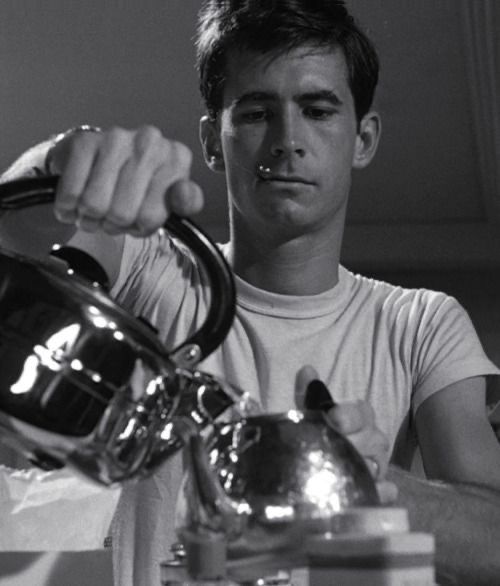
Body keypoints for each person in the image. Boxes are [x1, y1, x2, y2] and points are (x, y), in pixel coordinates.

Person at [2, 1, 500, 585]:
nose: (289, 141)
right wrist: (62, 166)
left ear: (363, 139)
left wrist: (372, 488)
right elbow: (19, 244)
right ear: (214, 140)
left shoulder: (420, 324)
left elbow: (492, 544)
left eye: (317, 110)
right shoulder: (147, 266)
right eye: (259, 111)